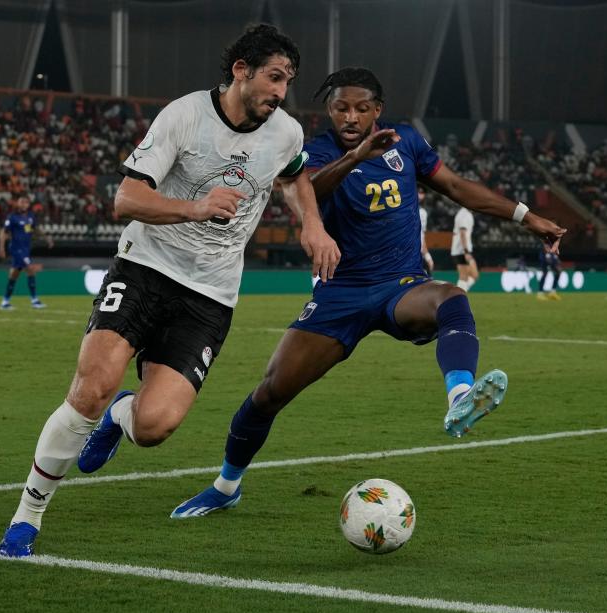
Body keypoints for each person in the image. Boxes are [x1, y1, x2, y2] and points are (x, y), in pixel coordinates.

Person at [0, 24, 339, 557]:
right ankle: (28, 515)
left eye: (288, 81)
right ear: (241, 71)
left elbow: (294, 178)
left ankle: (119, 417)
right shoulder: (185, 115)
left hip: (210, 296)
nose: (281, 91)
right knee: (90, 389)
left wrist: (310, 225)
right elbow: (126, 199)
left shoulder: (286, 133)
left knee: (154, 428)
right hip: (145, 268)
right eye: (274, 77)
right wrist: (195, 207)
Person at [169, 67, 566, 518]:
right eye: (341, 108)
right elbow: (308, 196)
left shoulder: (408, 144)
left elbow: (456, 187)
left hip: (401, 285)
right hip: (341, 293)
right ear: (328, 111)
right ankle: (226, 486)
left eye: (361, 108)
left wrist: (528, 217)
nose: (350, 116)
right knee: (270, 393)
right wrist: (356, 156)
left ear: (378, 110)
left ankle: (460, 397)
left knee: (452, 299)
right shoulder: (311, 151)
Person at [0, 195, 54, 309]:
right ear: (18, 204)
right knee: (30, 269)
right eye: (22, 202)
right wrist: (1, 248)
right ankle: (34, 300)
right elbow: (4, 232)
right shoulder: (12, 217)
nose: (24, 204)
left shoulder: (30, 217)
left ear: (28, 205)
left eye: (26, 202)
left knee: (14, 275)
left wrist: (47, 238)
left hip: (26, 249)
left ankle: (5, 301)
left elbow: (36, 229)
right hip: (16, 249)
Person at [451, 205, 478, 291]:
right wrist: (466, 251)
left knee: (473, 275)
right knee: (464, 277)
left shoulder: (464, 214)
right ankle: (457, 295)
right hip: (461, 250)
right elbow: (462, 234)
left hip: (461, 250)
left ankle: (460, 293)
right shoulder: (464, 215)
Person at [418, 186, 434, 275]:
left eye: (422, 193)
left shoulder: (423, 213)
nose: (420, 195)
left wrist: (427, 255)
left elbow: (421, 235)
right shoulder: (404, 209)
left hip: (417, 253)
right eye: (418, 192)